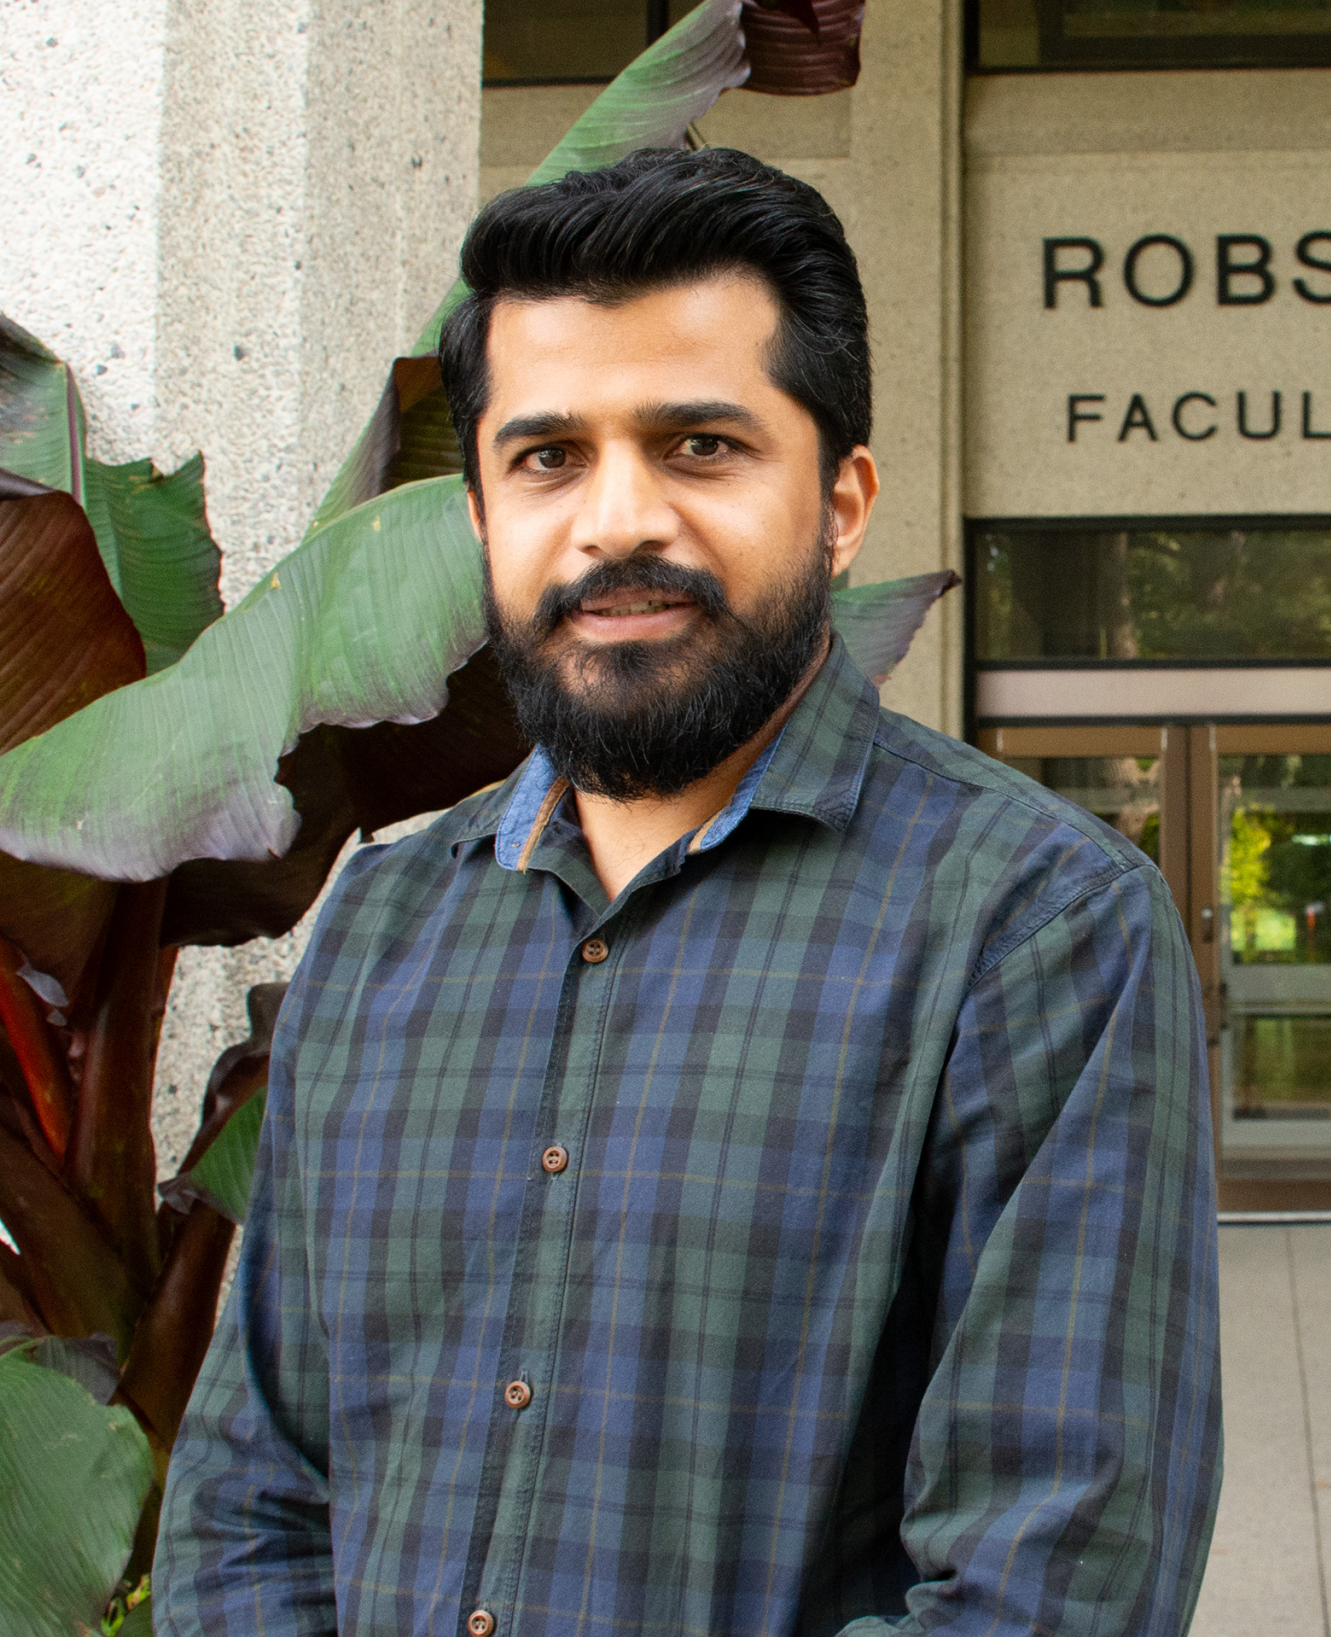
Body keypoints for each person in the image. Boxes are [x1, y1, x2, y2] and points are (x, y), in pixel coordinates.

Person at [155, 146, 1222, 1637]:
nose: (616, 521)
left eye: (700, 446)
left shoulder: (1035, 927)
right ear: (481, 517)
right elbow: (253, 1498)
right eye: (547, 458)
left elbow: (1046, 1587)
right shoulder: (384, 923)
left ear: (841, 503)